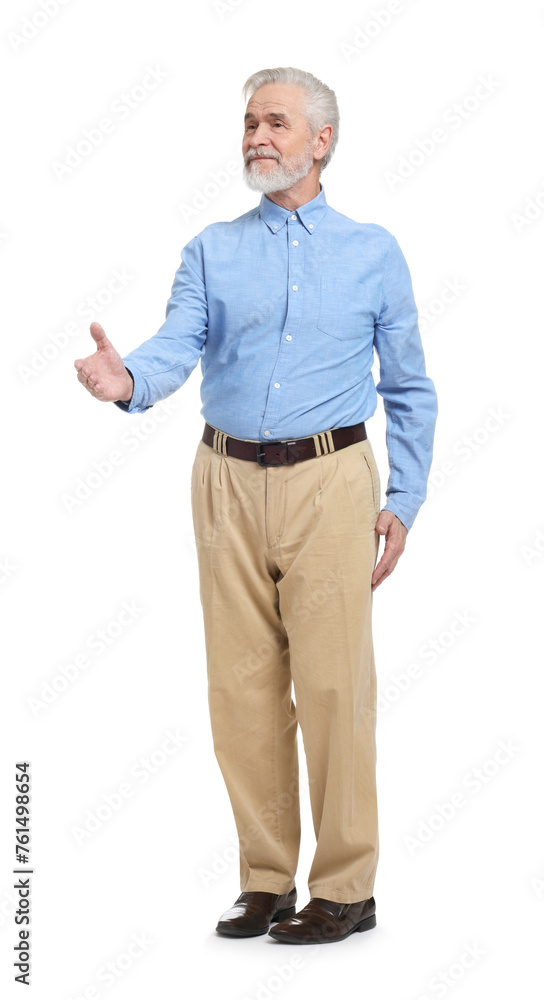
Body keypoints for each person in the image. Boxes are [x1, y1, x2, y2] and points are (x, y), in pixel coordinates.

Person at [74, 66, 438, 944]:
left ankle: (347, 887)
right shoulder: (211, 247)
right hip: (225, 481)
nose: (255, 137)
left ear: (323, 140)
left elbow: (411, 388)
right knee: (239, 691)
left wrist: (404, 496)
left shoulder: (374, 250)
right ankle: (266, 877)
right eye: (247, 123)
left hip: (330, 482)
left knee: (333, 686)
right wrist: (131, 380)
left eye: (275, 122)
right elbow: (179, 339)